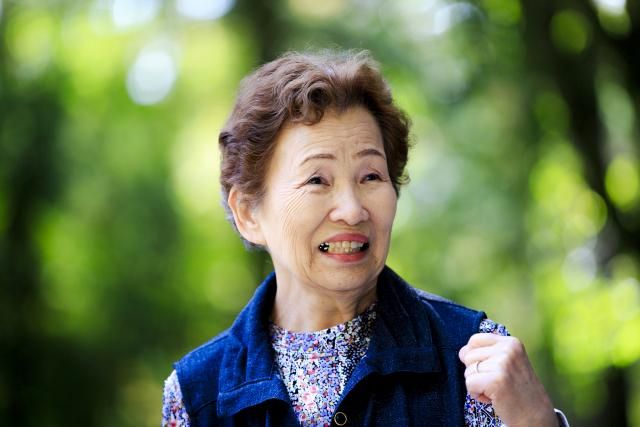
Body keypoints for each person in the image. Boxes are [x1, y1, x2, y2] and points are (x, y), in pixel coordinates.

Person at [162, 50, 569, 427]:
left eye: (371, 176)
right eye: (317, 180)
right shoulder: (196, 395)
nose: (353, 210)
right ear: (249, 213)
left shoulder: (476, 362)